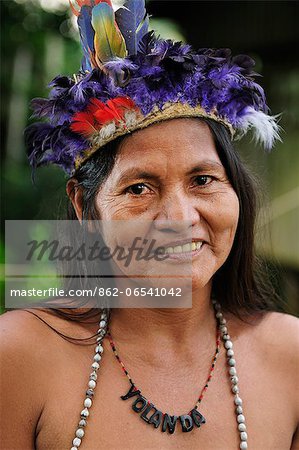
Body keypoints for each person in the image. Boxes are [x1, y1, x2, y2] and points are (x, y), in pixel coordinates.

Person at [1, 1, 298, 449]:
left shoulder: (290, 354)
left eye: (202, 180)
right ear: (84, 208)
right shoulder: (18, 354)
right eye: (139, 188)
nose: (179, 218)